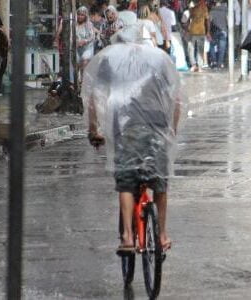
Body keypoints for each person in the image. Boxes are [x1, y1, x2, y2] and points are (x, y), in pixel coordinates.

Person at [82, 13, 182, 253]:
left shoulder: (110, 61)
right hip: (158, 130)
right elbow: (176, 100)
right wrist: (171, 132)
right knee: (159, 183)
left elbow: (96, 98)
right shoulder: (159, 60)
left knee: (127, 183)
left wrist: (94, 129)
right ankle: (162, 234)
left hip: (125, 131)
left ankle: (127, 237)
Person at [187, 0, 211, 72]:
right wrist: (208, 32)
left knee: (192, 49)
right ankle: (197, 66)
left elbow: (207, 21)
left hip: (196, 32)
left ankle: (196, 66)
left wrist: (208, 32)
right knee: (198, 50)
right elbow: (207, 21)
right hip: (197, 32)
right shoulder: (202, 8)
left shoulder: (194, 8)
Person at [76, 6, 95, 83]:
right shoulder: (74, 25)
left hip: (87, 48)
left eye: (82, 15)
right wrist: (76, 42)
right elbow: (71, 36)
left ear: (85, 16)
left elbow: (92, 36)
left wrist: (85, 41)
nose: (80, 16)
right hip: (77, 48)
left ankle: (84, 82)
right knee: (76, 64)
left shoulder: (89, 24)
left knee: (84, 61)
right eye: (79, 14)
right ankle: (77, 82)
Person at [209, 0, 227, 69]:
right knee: (222, 48)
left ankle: (214, 62)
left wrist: (208, 31)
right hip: (224, 31)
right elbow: (228, 20)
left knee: (212, 46)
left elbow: (209, 21)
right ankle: (220, 64)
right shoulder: (226, 10)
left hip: (214, 31)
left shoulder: (212, 11)